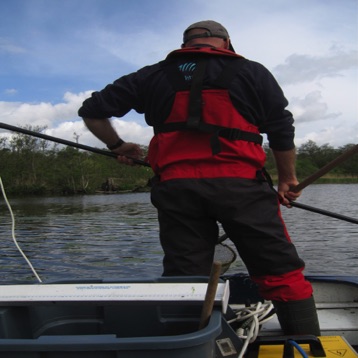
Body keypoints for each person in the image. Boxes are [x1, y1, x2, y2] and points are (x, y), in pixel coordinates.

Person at [78, 20, 320, 336]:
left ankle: (188, 343)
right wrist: (287, 178)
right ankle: (305, 342)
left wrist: (119, 145)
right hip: (241, 187)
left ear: (185, 44)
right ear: (227, 43)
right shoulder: (252, 71)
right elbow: (280, 127)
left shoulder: (152, 75)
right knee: (279, 268)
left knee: (185, 276)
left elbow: (92, 111)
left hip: (177, 190)